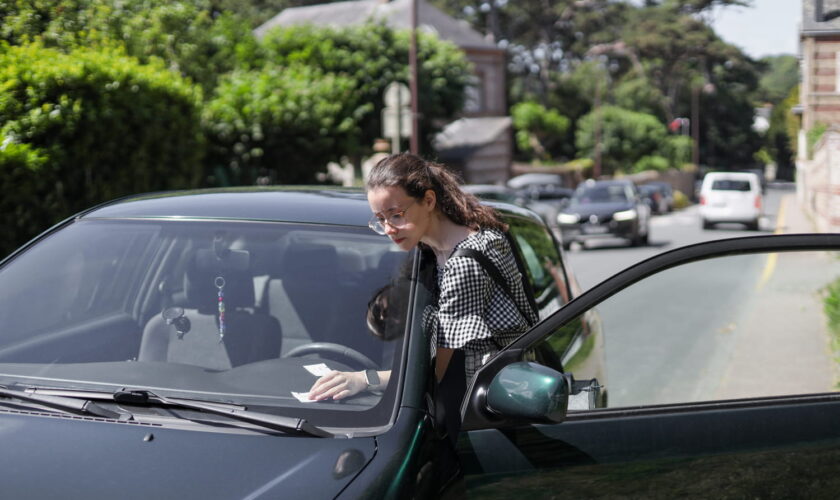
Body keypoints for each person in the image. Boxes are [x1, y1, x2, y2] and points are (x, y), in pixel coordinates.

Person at [308, 153, 538, 403]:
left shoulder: (465, 263)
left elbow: (444, 371)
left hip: (488, 405)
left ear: (428, 200)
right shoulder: (430, 248)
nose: (387, 229)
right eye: (381, 219)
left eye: (396, 215)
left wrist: (365, 379)